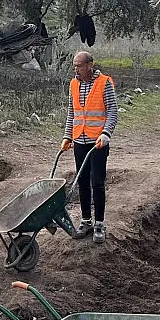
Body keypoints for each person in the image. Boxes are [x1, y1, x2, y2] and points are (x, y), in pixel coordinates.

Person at [62, 51, 117, 243]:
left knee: (97, 182)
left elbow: (112, 112)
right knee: (82, 181)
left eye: (79, 65)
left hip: (98, 142)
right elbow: (72, 112)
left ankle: (99, 223)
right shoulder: (74, 84)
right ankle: (86, 221)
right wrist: (67, 135)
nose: (76, 69)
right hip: (79, 140)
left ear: (89, 65)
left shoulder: (104, 83)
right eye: (74, 66)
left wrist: (106, 133)